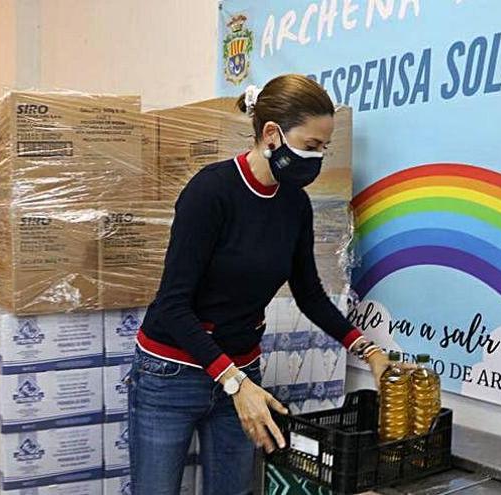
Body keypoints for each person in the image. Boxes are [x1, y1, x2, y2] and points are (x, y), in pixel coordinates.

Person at [128, 75, 391, 495]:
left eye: (324, 148)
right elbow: (174, 306)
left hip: (242, 371)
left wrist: (370, 350)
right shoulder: (210, 192)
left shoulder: (294, 204)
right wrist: (234, 383)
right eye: (311, 145)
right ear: (272, 134)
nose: (317, 157)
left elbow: (309, 294)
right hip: (172, 370)